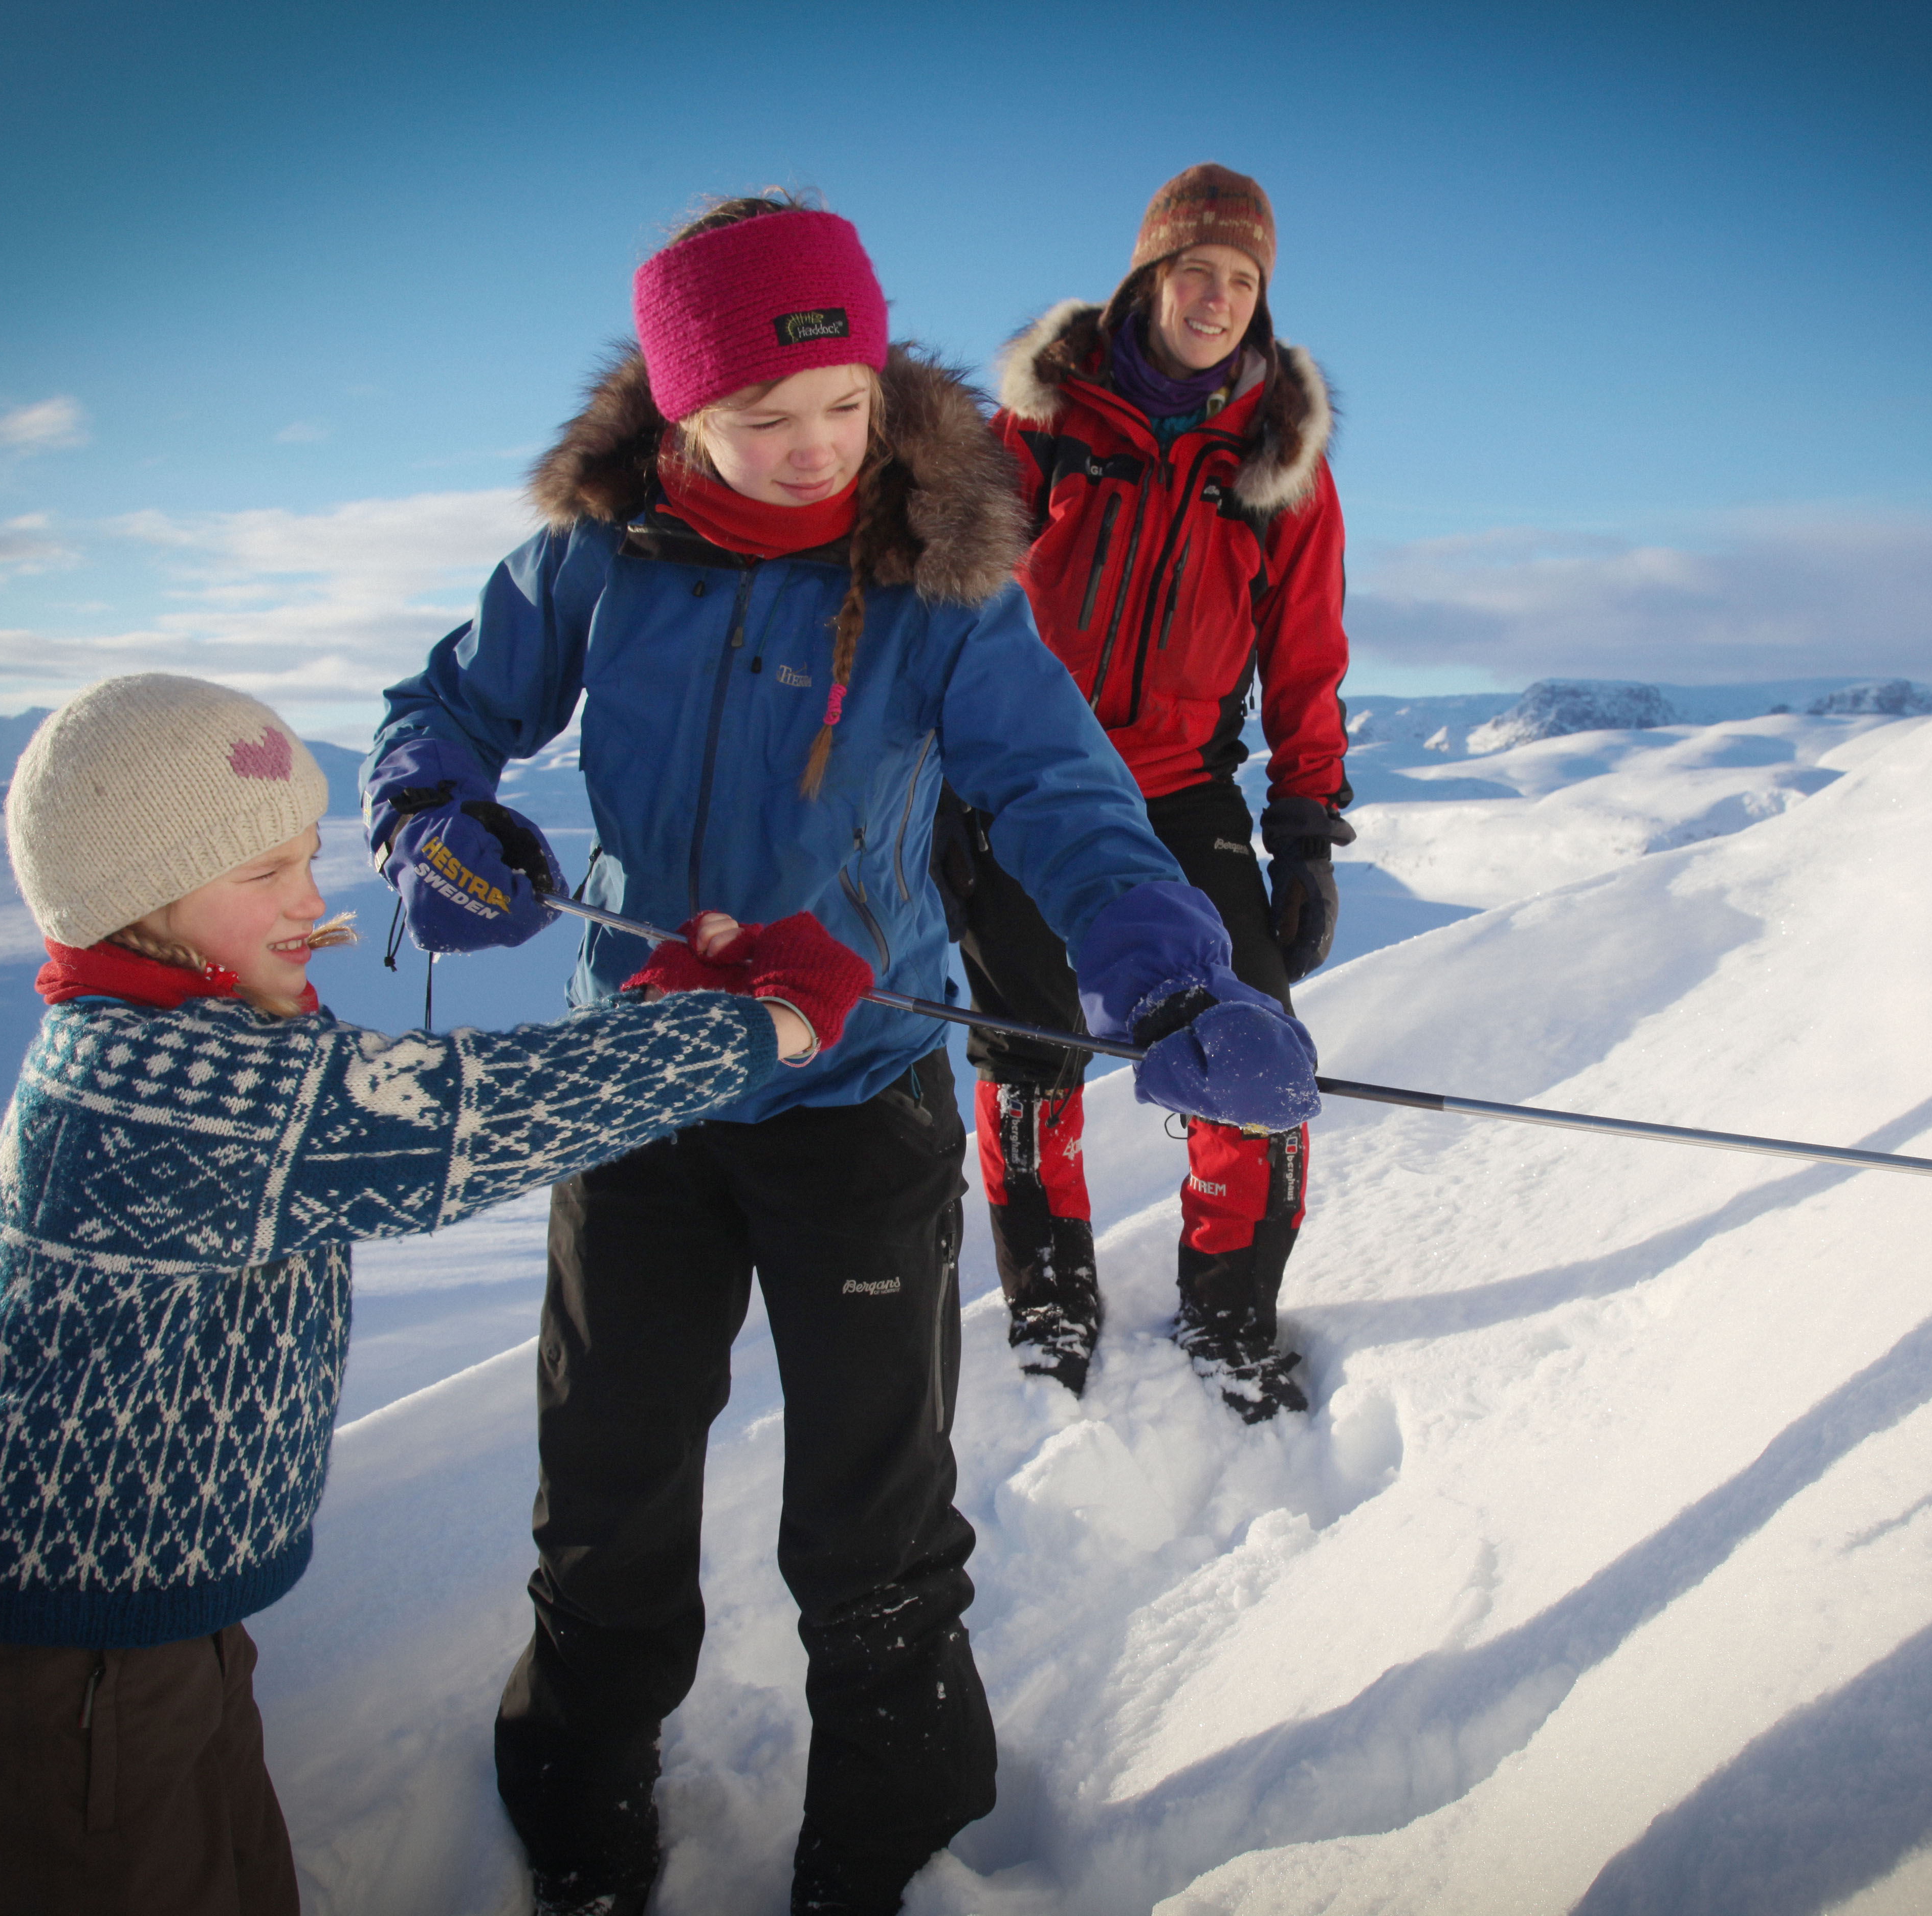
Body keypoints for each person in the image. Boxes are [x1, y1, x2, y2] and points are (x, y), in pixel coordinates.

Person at [362, 195, 1319, 1916]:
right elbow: (444, 712)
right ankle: (578, 1826)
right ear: (679, 418)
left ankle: (889, 1844)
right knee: (605, 1501)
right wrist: (433, 813)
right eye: (762, 415)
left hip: (857, 1094)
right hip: (636, 1089)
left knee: (872, 1525)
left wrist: (1168, 972)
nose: (815, 448)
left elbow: (1060, 791)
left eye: (845, 404)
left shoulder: (941, 581)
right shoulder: (597, 559)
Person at [0, 672, 866, 1916]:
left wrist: (664, 1007)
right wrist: (773, 1026)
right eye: (264, 872)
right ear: (137, 902)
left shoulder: (185, 1040)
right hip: (52, 1672)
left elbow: (421, 1090)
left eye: (306, 858)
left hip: (136, 1633)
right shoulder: (165, 1084)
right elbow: (465, 1121)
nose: (310, 899)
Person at [948, 163, 1351, 1421]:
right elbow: (944, 610)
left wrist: (1304, 829)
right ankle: (1050, 1299)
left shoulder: (1279, 459)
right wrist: (923, 786)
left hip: (1182, 793)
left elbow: (1307, 655)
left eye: (1243, 280)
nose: (1217, 299)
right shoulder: (1036, 429)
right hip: (1021, 783)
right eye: (1196, 272)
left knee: (1257, 1048)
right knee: (1029, 1047)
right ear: (1147, 279)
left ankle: (1231, 1312)